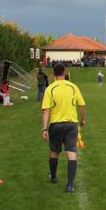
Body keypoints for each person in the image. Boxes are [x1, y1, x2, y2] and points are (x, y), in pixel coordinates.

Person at [41, 63, 86, 193]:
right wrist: (83, 120)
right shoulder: (73, 87)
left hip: (56, 125)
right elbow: (82, 105)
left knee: (54, 152)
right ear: (65, 72)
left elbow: (46, 110)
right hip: (72, 125)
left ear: (54, 73)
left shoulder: (50, 88)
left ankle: (54, 177)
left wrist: (44, 128)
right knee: (71, 154)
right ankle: (70, 185)